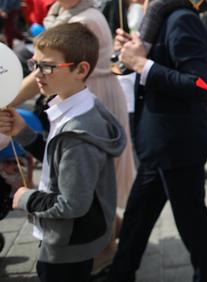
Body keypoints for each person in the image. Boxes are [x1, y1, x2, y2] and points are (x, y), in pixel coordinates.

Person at [8, 0, 135, 270]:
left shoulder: (83, 20)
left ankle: (101, 245)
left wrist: (7, 98)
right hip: (76, 91)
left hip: (91, 89)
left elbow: (43, 73)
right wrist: (24, 130)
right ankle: (104, 237)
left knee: (91, 177)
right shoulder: (62, 13)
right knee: (86, 175)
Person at [108, 0, 207, 282]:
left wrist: (141, 62)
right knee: (139, 216)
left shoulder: (180, 17)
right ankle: (121, 272)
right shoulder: (154, 16)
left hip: (178, 146)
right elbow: (158, 61)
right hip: (157, 143)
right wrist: (130, 57)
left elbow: (202, 83)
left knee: (192, 224)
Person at [0, 22, 126, 282]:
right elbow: (59, 161)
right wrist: (24, 132)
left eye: (47, 67)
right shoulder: (81, 104)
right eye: (34, 64)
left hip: (68, 244)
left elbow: (71, 204)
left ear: (81, 70)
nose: (37, 74)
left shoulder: (77, 132)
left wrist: (26, 198)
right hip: (75, 237)